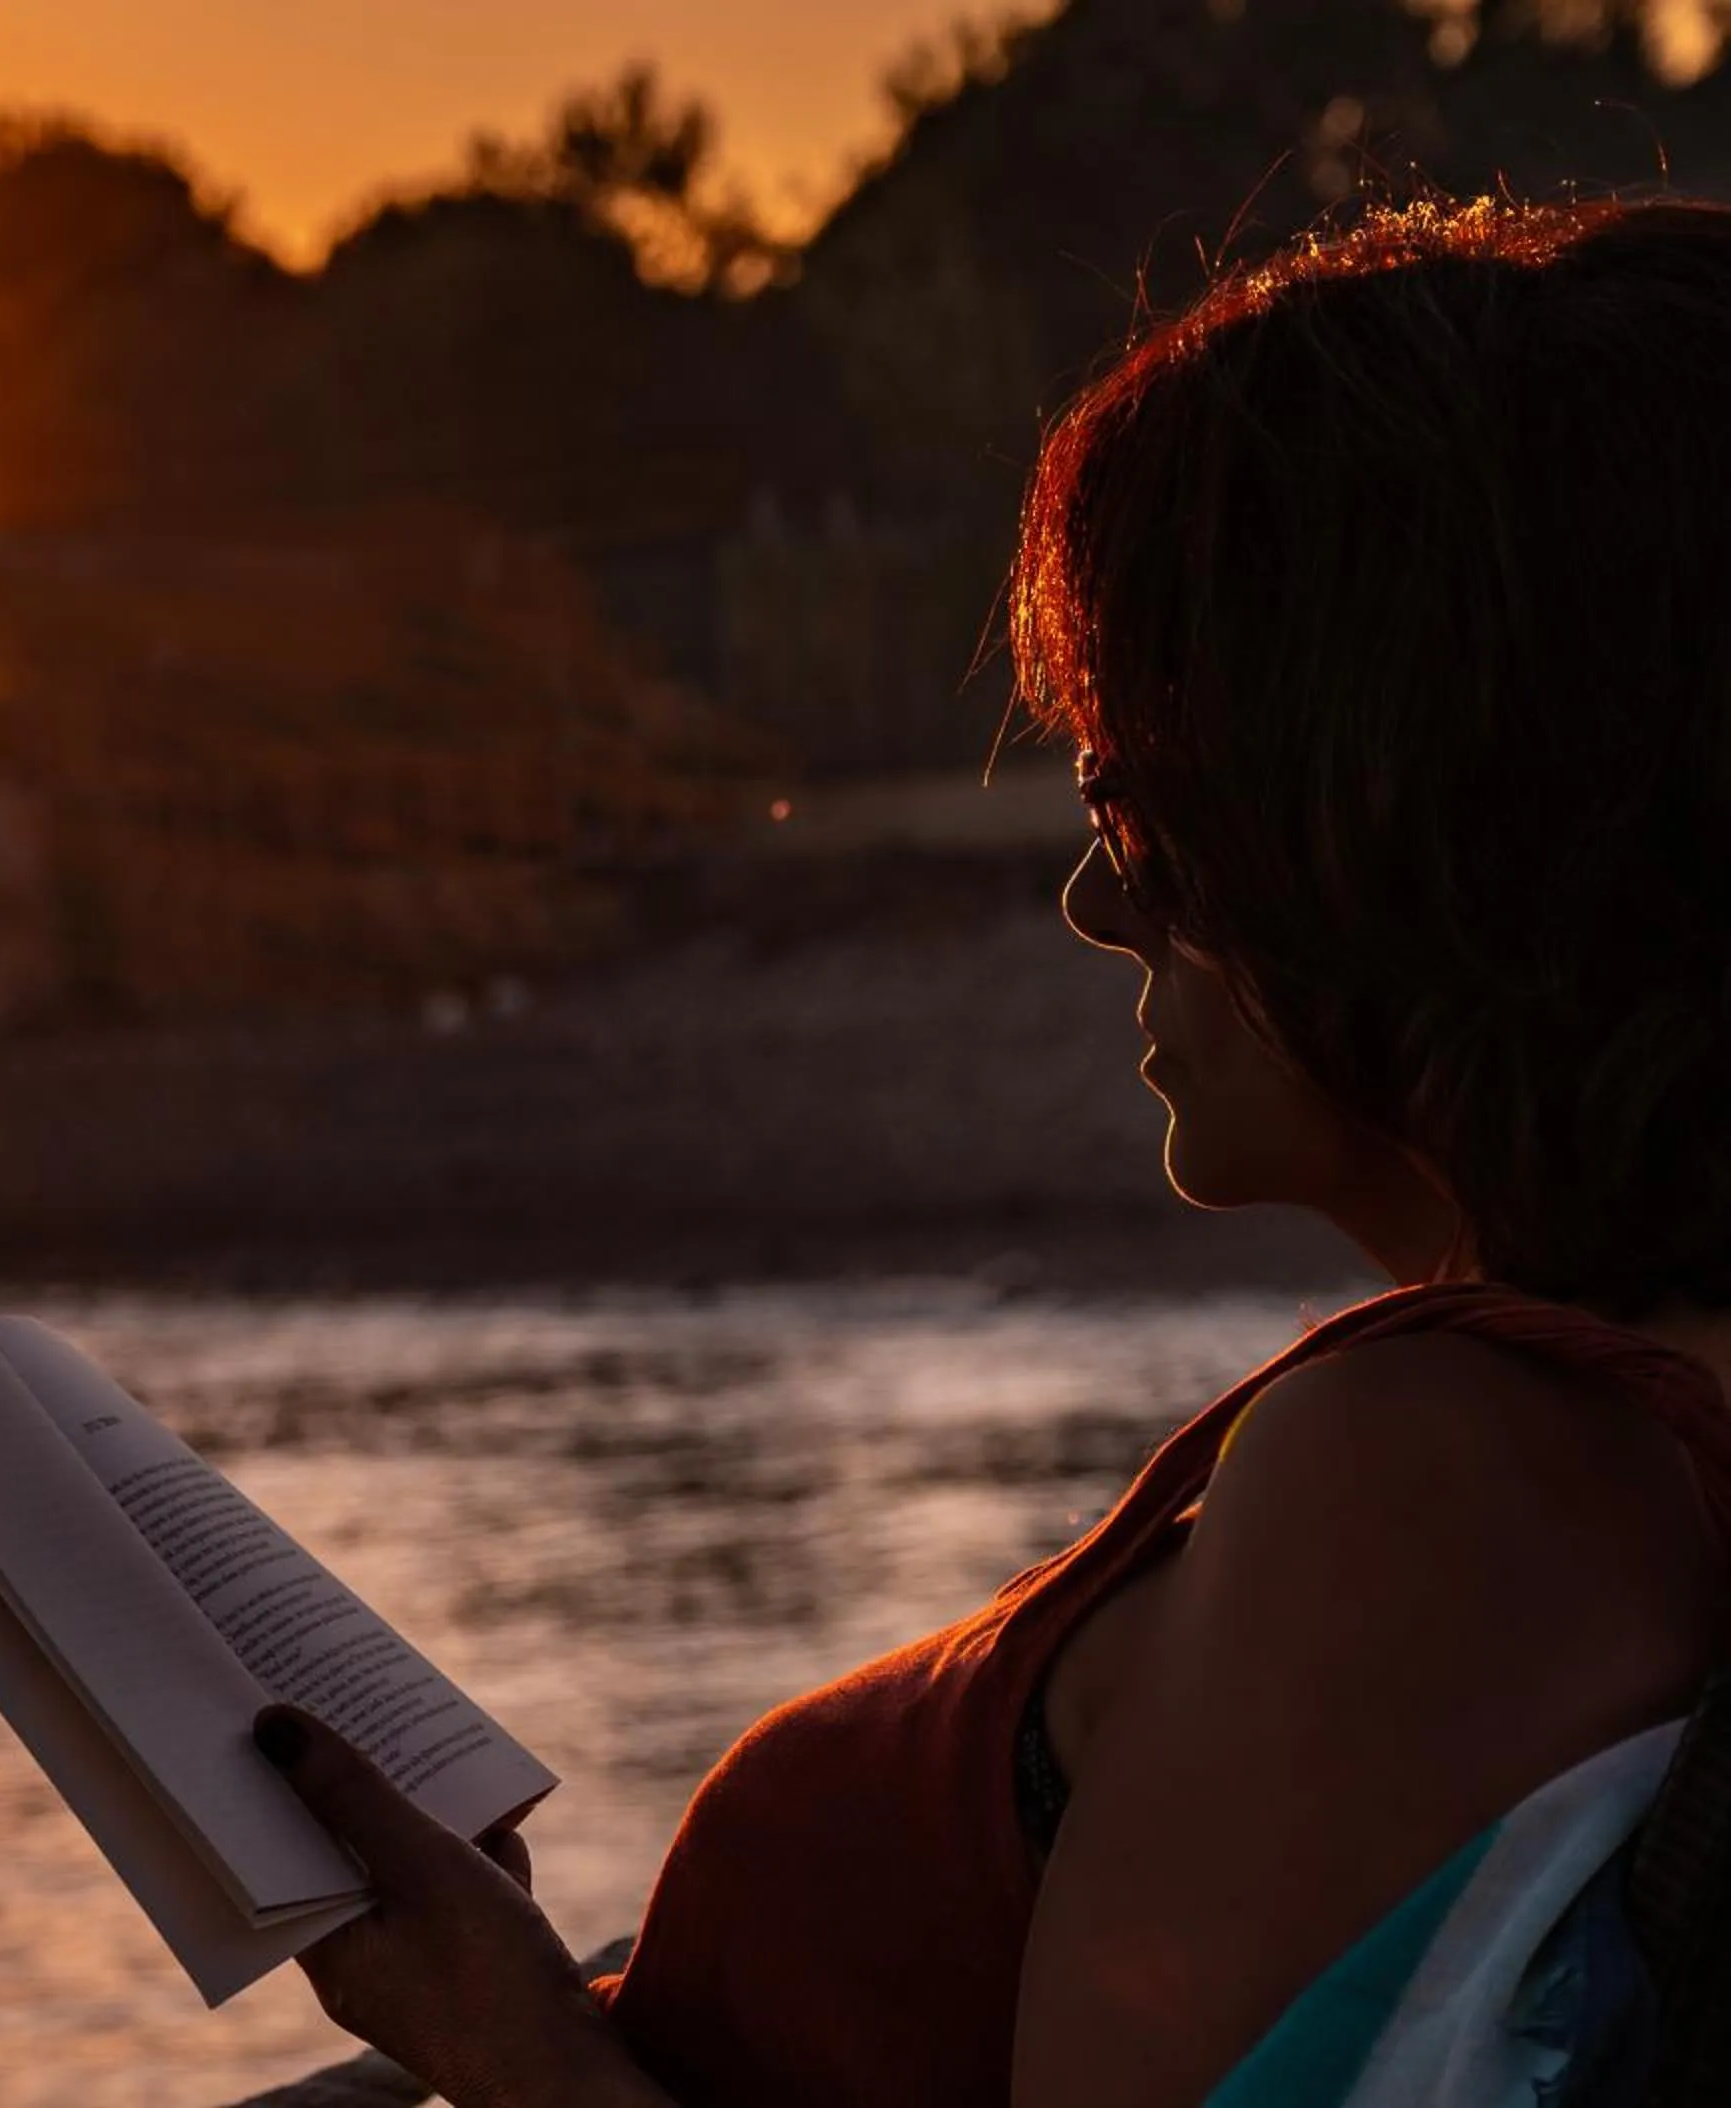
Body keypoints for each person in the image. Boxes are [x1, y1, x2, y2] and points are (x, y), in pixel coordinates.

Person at [246, 194, 1731, 2105]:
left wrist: (504, 2042)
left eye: (1140, 804)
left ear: (1405, 821)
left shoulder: (1435, 1484)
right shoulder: (1580, 1452)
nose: (1098, 903)